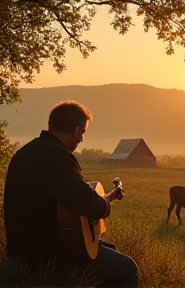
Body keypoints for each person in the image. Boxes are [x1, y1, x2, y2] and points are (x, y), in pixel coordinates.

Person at [3, 100, 138, 287]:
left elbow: (68, 199)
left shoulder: (25, 153)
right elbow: (91, 205)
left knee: (109, 249)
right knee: (127, 269)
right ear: (75, 131)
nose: (81, 139)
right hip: (50, 257)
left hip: (21, 251)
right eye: (82, 133)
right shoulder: (58, 157)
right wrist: (104, 206)